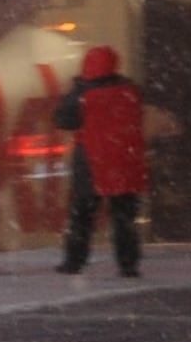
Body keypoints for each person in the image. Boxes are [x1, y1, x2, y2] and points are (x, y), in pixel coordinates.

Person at [56, 43, 148, 277]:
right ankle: (128, 264)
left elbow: (64, 120)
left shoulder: (83, 93)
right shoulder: (130, 90)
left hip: (91, 160)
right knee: (124, 217)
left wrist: (74, 90)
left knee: (82, 216)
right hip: (124, 159)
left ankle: (74, 261)